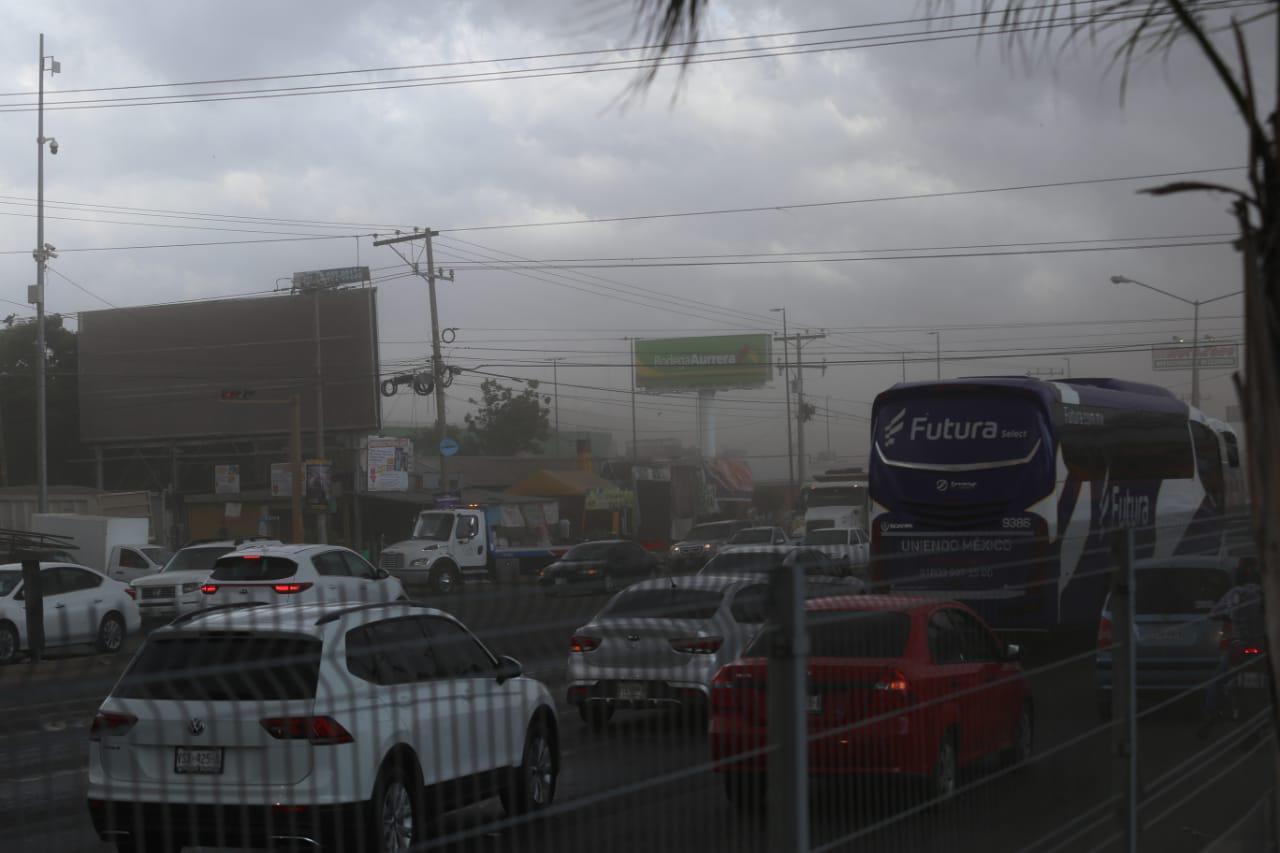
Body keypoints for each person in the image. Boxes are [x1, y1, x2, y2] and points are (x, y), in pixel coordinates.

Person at [1200, 557, 1265, 737]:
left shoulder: (1234, 593)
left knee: (1216, 682)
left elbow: (1213, 614)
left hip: (1238, 647)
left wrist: (1228, 616)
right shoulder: (1265, 592)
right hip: (1261, 646)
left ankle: (1211, 715)